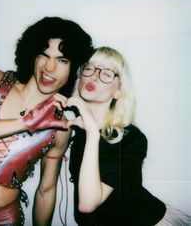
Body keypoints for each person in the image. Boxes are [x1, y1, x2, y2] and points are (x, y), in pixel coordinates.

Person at [0, 16, 93, 226]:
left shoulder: (61, 128)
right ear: (33, 55)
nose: (49, 67)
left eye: (62, 60)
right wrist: (27, 122)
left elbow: (46, 191)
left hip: (1, 220)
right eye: (44, 55)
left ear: (74, 68)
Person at [67, 47, 191, 225]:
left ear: (118, 90)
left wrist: (93, 132)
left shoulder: (131, 138)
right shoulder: (79, 132)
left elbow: (88, 204)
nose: (94, 76)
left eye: (107, 73)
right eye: (89, 68)